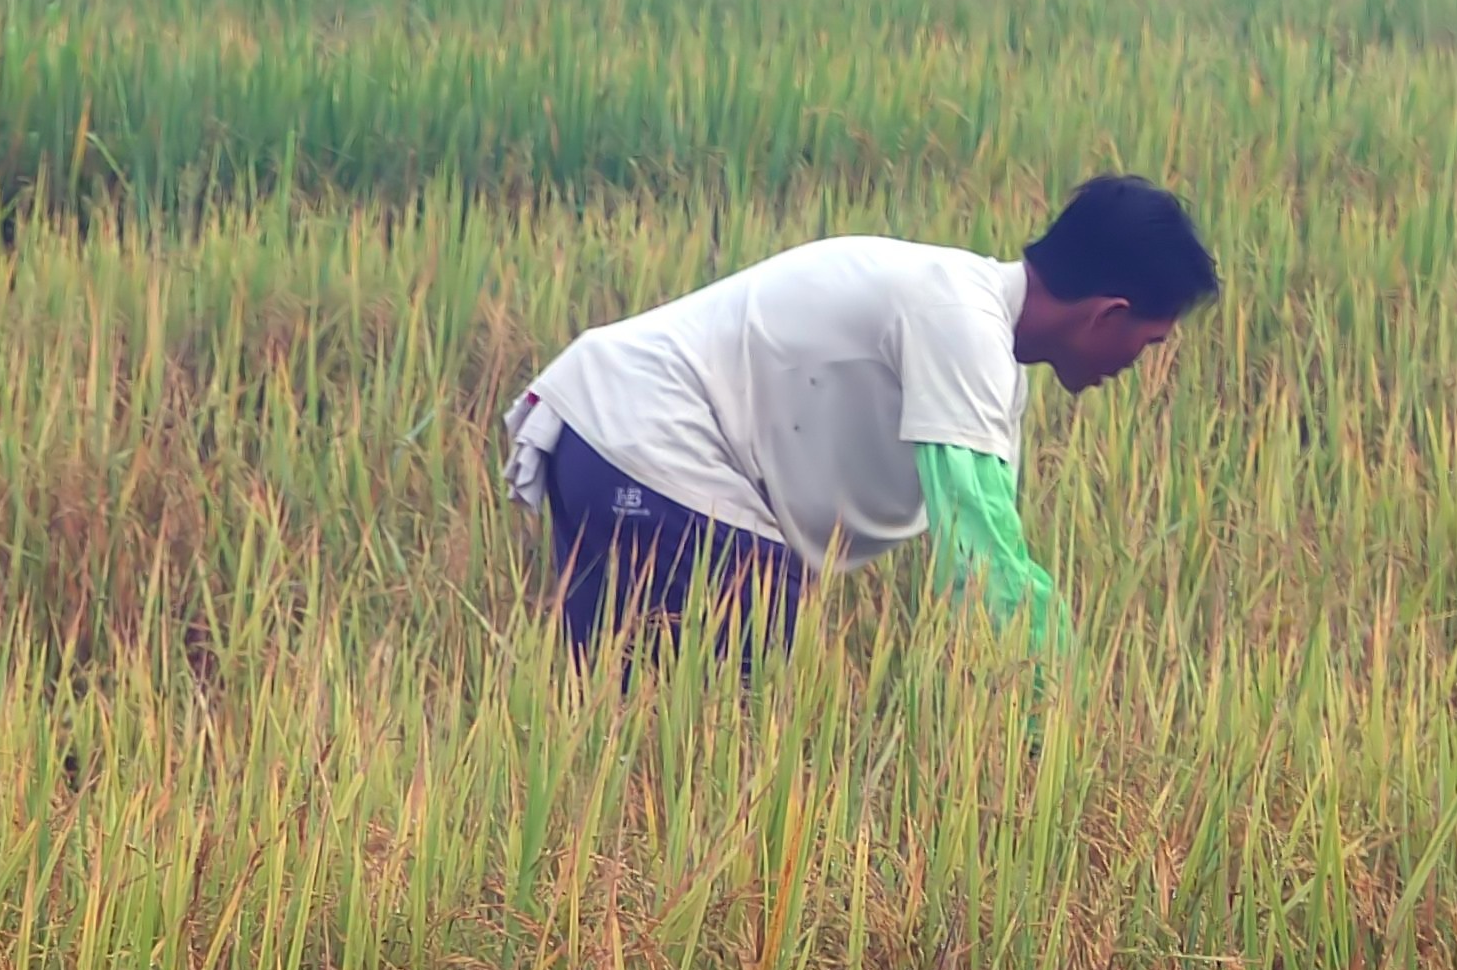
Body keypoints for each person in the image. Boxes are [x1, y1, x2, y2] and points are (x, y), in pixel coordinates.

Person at [504, 174, 1219, 666]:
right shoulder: (960, 322)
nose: (1141, 362)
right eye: (1150, 343)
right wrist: (1050, 708)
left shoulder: (968, 319)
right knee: (739, 720)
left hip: (596, 435)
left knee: (616, 707)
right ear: (1109, 313)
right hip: (652, 445)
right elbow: (983, 552)